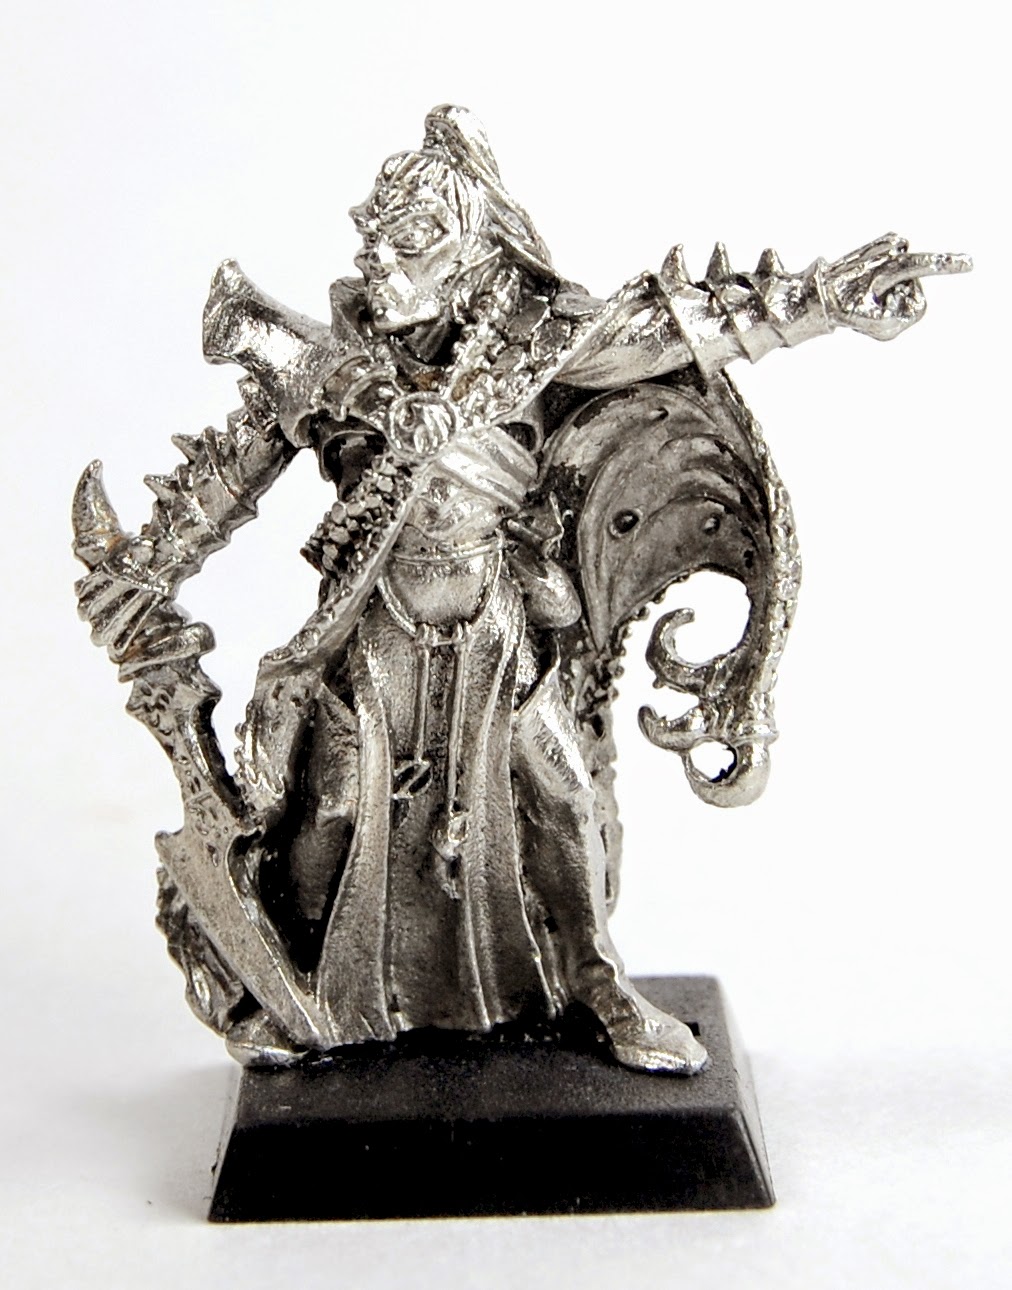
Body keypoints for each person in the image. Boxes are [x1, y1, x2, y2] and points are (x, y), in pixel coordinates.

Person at [73, 105, 969, 1073]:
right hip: (369, 630)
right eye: (375, 240)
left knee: (558, 794)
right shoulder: (328, 368)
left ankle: (596, 982)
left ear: (470, 255)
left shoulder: (536, 347)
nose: (380, 263)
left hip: (499, 622)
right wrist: (141, 572)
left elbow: (680, 325)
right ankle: (305, 989)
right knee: (328, 804)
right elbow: (225, 479)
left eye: (411, 241)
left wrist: (825, 299)